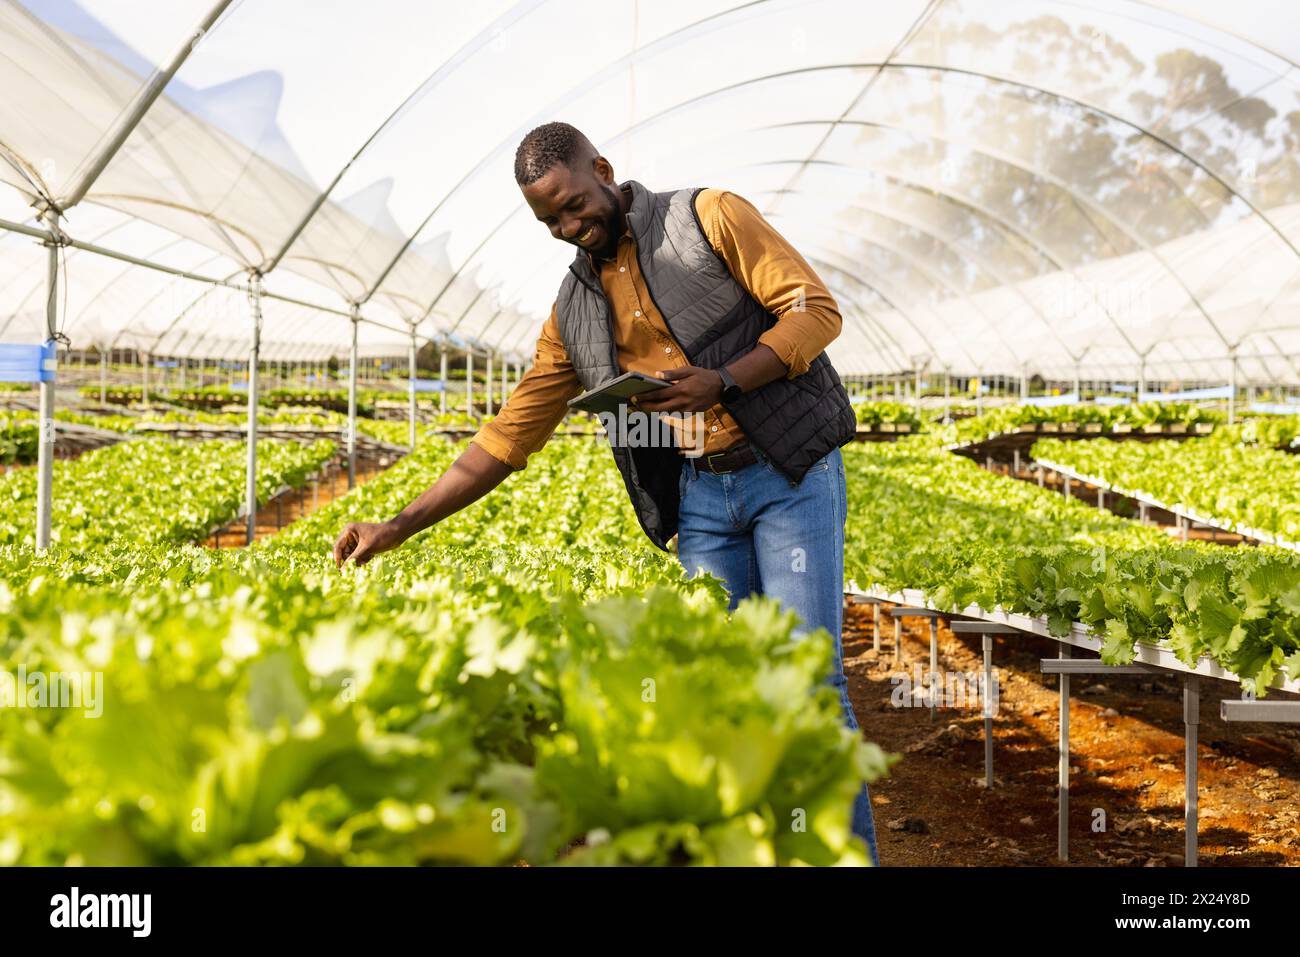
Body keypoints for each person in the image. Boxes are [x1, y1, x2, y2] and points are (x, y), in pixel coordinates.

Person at [332, 121, 877, 864]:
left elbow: (815, 311)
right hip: (703, 501)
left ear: (603, 170)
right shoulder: (572, 313)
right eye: (548, 220)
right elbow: (506, 437)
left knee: (812, 683)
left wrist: (723, 379)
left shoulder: (708, 217)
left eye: (571, 204)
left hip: (789, 476)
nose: (566, 226)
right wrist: (397, 525)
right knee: (724, 688)